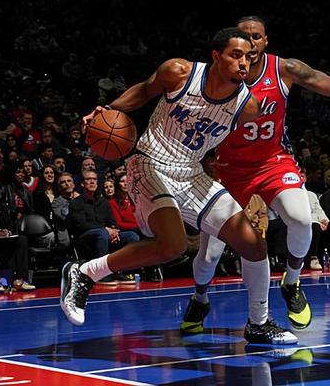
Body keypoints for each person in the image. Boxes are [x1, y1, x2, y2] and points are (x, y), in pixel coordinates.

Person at [60, 27, 297, 344]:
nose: (244, 63)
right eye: (236, 55)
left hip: (192, 173)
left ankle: (259, 323)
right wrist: (109, 110)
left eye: (249, 58)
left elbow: (220, 142)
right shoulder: (179, 72)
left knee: (253, 245)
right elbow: (144, 91)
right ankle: (85, 272)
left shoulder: (248, 106)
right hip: (150, 162)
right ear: (216, 56)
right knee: (172, 245)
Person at [182, 16, 330, 332]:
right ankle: (200, 298)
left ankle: (291, 282)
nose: (251, 42)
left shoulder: (284, 70)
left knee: (302, 219)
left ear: (265, 41)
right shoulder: (218, 75)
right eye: (244, 36)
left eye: (257, 36)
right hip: (229, 169)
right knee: (209, 256)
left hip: (272, 162)